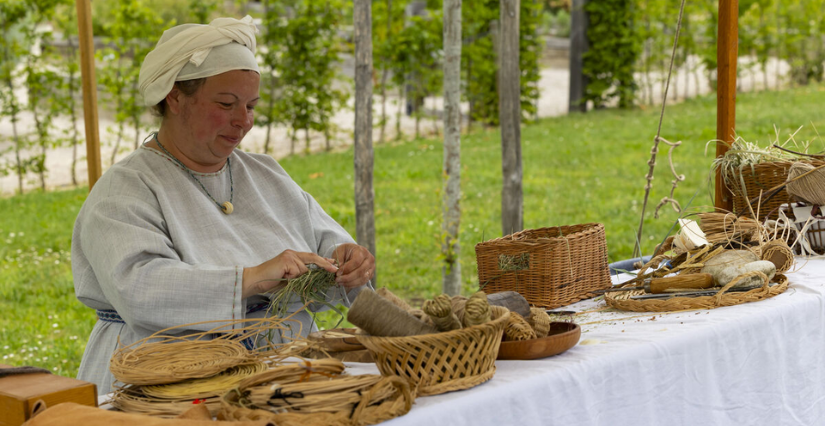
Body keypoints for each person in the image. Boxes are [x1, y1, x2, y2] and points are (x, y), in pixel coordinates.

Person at [71, 16, 375, 395]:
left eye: (251, 105)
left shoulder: (264, 173)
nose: (243, 121)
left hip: (281, 368)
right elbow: (138, 288)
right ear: (175, 97)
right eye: (226, 103)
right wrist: (252, 278)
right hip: (164, 378)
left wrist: (345, 259)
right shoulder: (126, 188)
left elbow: (325, 241)